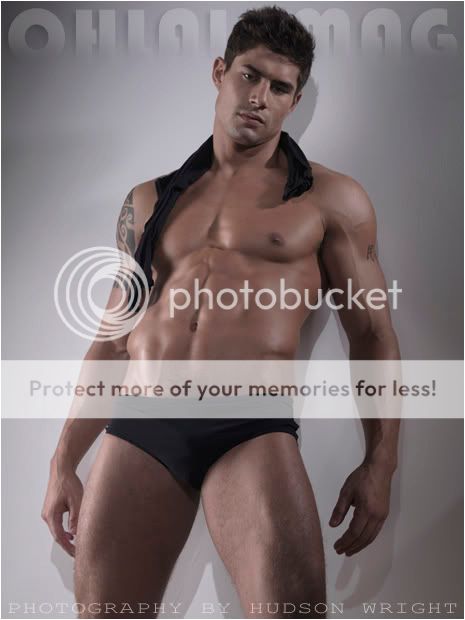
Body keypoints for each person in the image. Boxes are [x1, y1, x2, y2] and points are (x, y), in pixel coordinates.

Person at [41, 6, 400, 619]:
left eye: (279, 87)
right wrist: (63, 461)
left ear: (295, 100)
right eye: (249, 75)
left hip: (250, 424)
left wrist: (380, 464)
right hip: (145, 421)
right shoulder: (149, 201)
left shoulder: (332, 201)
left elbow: (371, 332)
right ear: (219, 73)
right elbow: (112, 342)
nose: (259, 97)